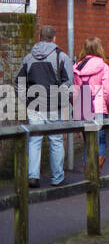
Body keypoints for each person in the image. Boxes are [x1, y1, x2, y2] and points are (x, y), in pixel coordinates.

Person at [14, 24, 74, 187]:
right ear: (54, 38)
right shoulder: (61, 57)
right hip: (55, 104)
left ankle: (33, 176)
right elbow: (69, 82)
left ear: (39, 38)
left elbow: (19, 81)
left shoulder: (28, 58)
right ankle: (57, 177)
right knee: (56, 140)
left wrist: (25, 100)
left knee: (34, 141)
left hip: (34, 105)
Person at [73, 37, 109, 169]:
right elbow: (108, 90)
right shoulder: (103, 66)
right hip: (98, 107)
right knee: (100, 141)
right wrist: (105, 103)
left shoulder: (77, 67)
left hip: (84, 107)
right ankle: (96, 170)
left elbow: (74, 92)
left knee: (88, 142)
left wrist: (77, 106)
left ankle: (88, 172)